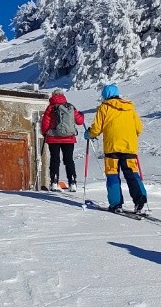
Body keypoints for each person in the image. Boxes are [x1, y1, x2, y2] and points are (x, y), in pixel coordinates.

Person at [87, 84, 147, 214]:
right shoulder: (130, 108)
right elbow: (139, 128)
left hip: (112, 148)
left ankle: (116, 204)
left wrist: (89, 134)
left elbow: (96, 129)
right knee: (132, 174)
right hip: (129, 147)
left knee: (112, 175)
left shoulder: (104, 108)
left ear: (105, 95)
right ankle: (140, 198)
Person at [41, 90, 85, 191]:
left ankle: (54, 182)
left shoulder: (51, 108)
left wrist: (45, 134)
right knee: (69, 160)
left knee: (55, 159)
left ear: (53, 96)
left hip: (53, 138)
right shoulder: (70, 107)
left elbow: (45, 123)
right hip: (69, 138)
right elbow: (79, 121)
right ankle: (72, 182)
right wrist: (81, 115)